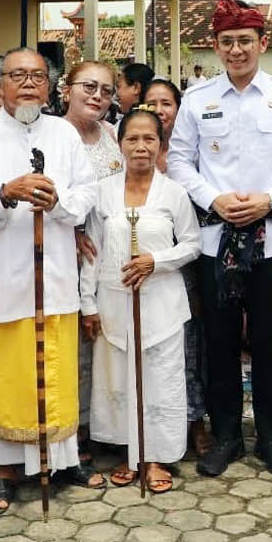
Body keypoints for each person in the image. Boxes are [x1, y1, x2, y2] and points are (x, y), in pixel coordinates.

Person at [168, 0, 272, 477]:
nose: (237, 51)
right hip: (217, 241)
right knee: (221, 341)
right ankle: (227, 435)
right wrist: (212, 199)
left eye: (245, 41)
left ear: (263, 43)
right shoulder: (198, 99)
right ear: (216, 47)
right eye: (228, 42)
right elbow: (179, 161)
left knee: (270, 341)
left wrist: (270, 199)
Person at [0, 47, 103, 515]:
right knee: (9, 378)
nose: (29, 84)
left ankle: (64, 460)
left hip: (55, 278)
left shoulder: (64, 135)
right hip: (6, 281)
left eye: (38, 75)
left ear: (51, 85)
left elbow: (86, 195)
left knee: (58, 373)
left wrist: (57, 203)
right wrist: (5, 196)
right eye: (18, 75)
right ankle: (4, 472)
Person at [80, 109, 200, 492]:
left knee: (160, 380)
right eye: (133, 138)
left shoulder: (174, 193)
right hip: (114, 303)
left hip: (161, 304)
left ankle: (155, 457)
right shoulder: (103, 192)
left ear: (161, 145)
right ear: (120, 144)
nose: (141, 146)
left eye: (150, 139)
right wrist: (88, 304)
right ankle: (129, 451)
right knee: (118, 379)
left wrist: (156, 261)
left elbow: (193, 246)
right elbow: (91, 251)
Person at [61, 60, 124, 458]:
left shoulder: (114, 135)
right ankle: (72, 427)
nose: (97, 96)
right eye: (88, 86)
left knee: (104, 340)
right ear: (67, 89)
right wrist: (70, 230)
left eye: (105, 90)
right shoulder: (52, 135)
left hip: (109, 255)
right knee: (72, 342)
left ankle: (102, 422)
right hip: (66, 254)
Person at [144, 78, 210, 455]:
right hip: (142, 264)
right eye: (150, 102)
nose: (158, 110)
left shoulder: (192, 157)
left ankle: (194, 420)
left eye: (166, 102)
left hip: (186, 264)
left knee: (188, 347)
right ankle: (149, 425)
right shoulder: (133, 150)